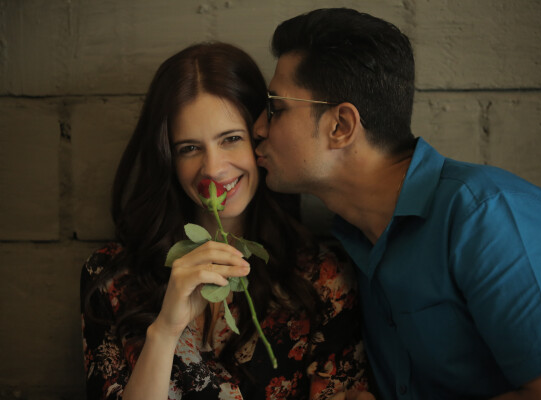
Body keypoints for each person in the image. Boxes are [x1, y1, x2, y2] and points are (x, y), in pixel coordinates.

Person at [252, 7, 541, 400]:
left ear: (340, 126)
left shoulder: (489, 215)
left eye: (276, 108)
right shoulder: (352, 241)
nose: (259, 128)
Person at [80, 42, 372, 400]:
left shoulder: (323, 279)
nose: (214, 169)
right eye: (189, 148)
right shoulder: (110, 278)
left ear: (261, 136)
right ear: (168, 158)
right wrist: (165, 331)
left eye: (231, 139)